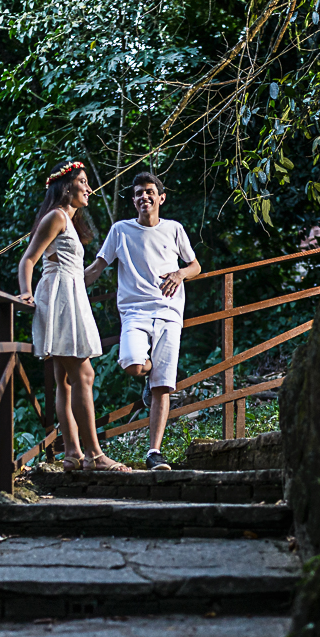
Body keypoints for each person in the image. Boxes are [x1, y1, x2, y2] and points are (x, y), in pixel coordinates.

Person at [17, 160, 132, 472]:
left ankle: (72, 453)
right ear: (66, 186)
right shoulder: (55, 217)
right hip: (59, 298)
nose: (89, 189)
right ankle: (94, 455)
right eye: (83, 182)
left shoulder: (69, 220)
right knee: (84, 375)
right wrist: (25, 291)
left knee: (65, 380)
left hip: (72, 295)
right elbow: (29, 259)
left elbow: (77, 271)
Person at [84, 172, 201, 471]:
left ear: (161, 198)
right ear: (134, 200)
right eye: (138, 193)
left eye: (149, 192)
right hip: (134, 313)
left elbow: (194, 265)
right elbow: (97, 268)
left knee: (164, 385)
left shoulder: (174, 229)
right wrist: (62, 284)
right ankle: (148, 376)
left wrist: (178, 274)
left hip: (170, 313)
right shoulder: (120, 230)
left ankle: (154, 453)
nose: (143, 197)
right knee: (133, 365)